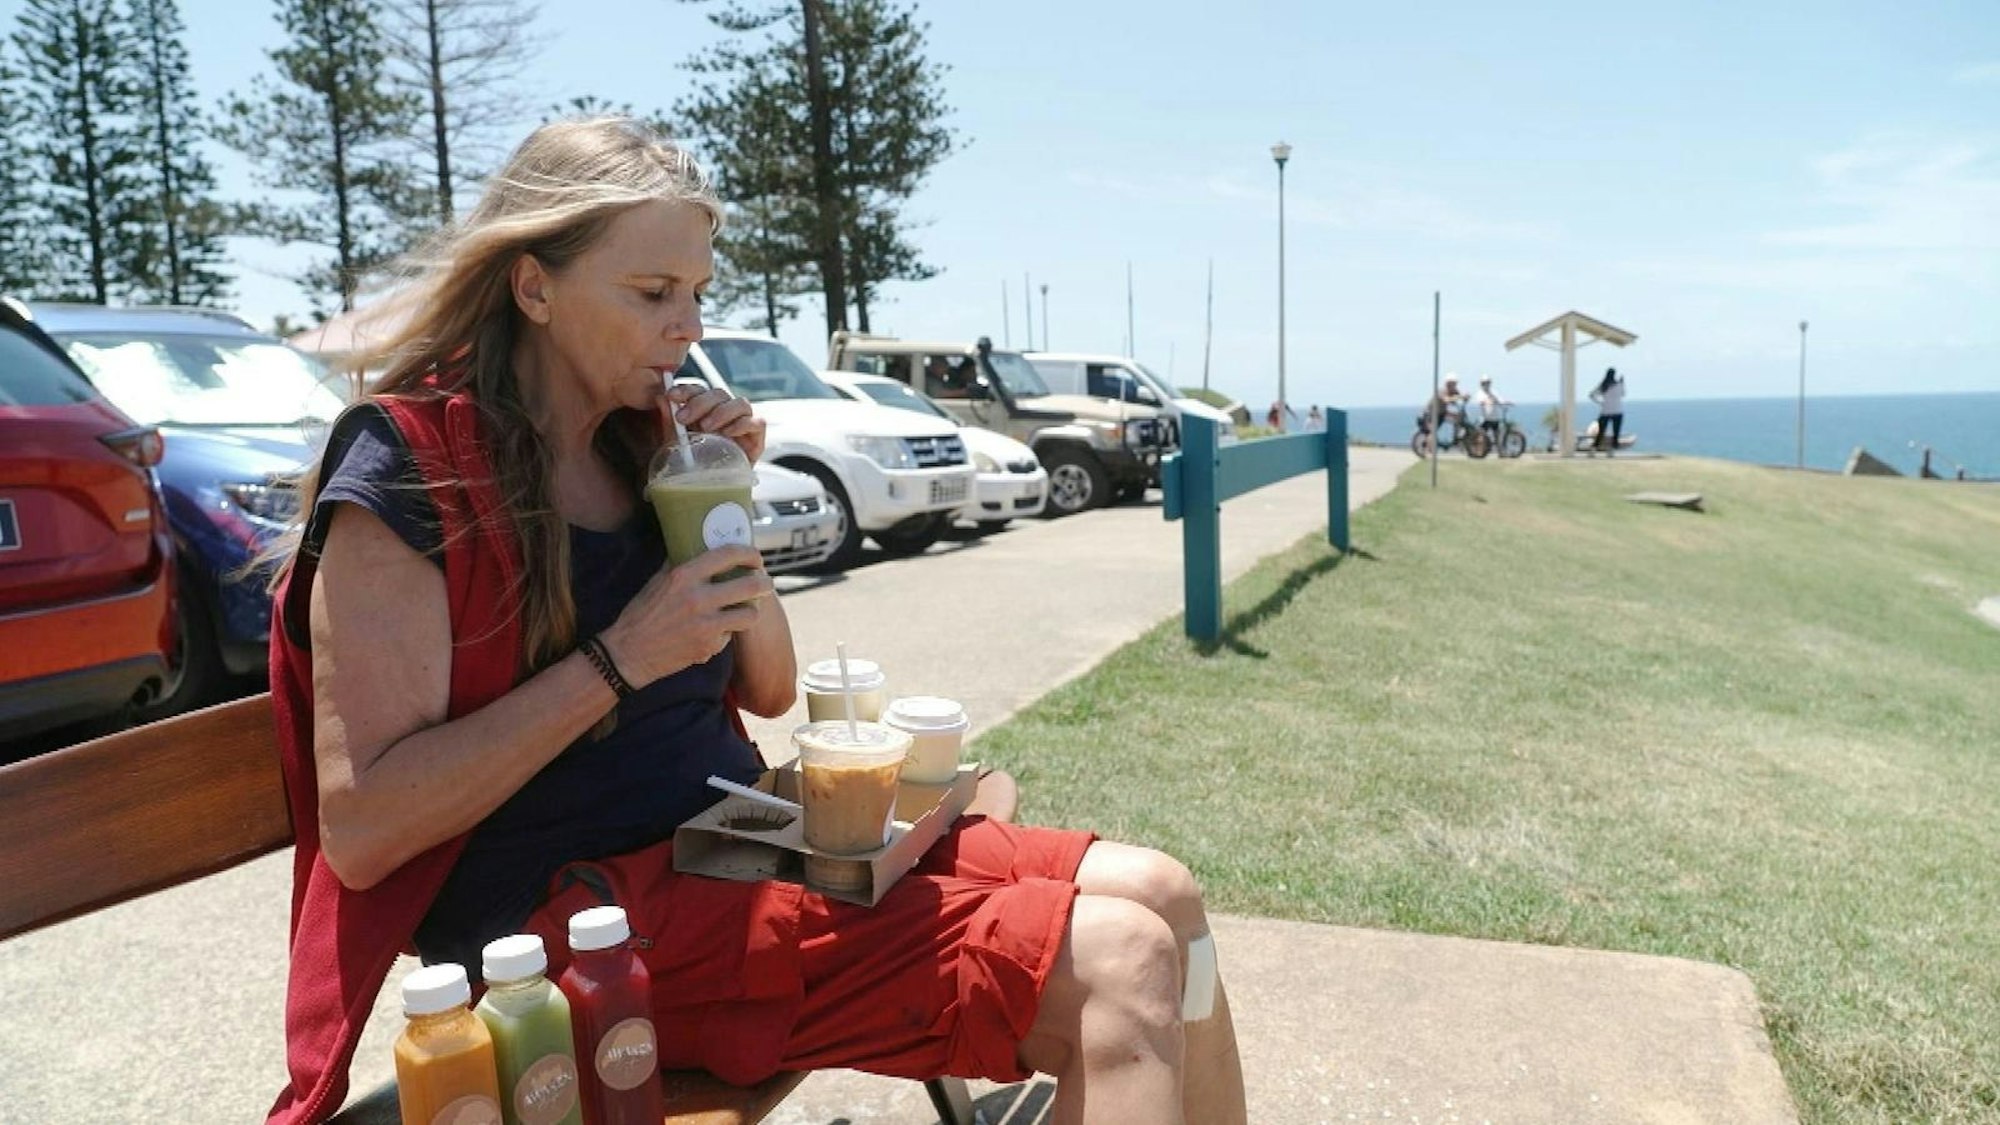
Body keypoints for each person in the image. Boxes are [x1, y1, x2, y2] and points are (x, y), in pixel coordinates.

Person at [259, 117, 1245, 1125]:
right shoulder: (413, 469)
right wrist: (619, 658)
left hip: (727, 850)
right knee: (1122, 966)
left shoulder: (641, 447)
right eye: (651, 294)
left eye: (695, 293)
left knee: (1164, 895)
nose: (686, 328)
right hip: (572, 941)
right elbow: (366, 830)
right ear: (533, 286)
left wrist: (716, 501)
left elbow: (766, 686)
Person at [1589, 367, 1626, 454]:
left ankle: (1594, 448)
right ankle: (1612, 449)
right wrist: (1622, 383)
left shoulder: (1603, 385)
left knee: (1601, 431)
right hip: (1617, 411)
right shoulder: (1618, 384)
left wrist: (1600, 402)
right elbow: (1623, 394)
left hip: (1605, 411)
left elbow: (1591, 395)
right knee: (1615, 432)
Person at [1473, 376, 1511, 443]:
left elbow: (1499, 399)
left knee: (1497, 435)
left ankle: (1500, 450)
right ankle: (1479, 450)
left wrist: (1505, 402)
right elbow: (1480, 401)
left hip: (1494, 417)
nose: (1486, 385)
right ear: (1481, 384)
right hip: (1485, 418)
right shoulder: (1480, 393)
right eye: (1484, 383)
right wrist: (1486, 402)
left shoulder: (1493, 392)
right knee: (1482, 436)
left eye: (1488, 383)